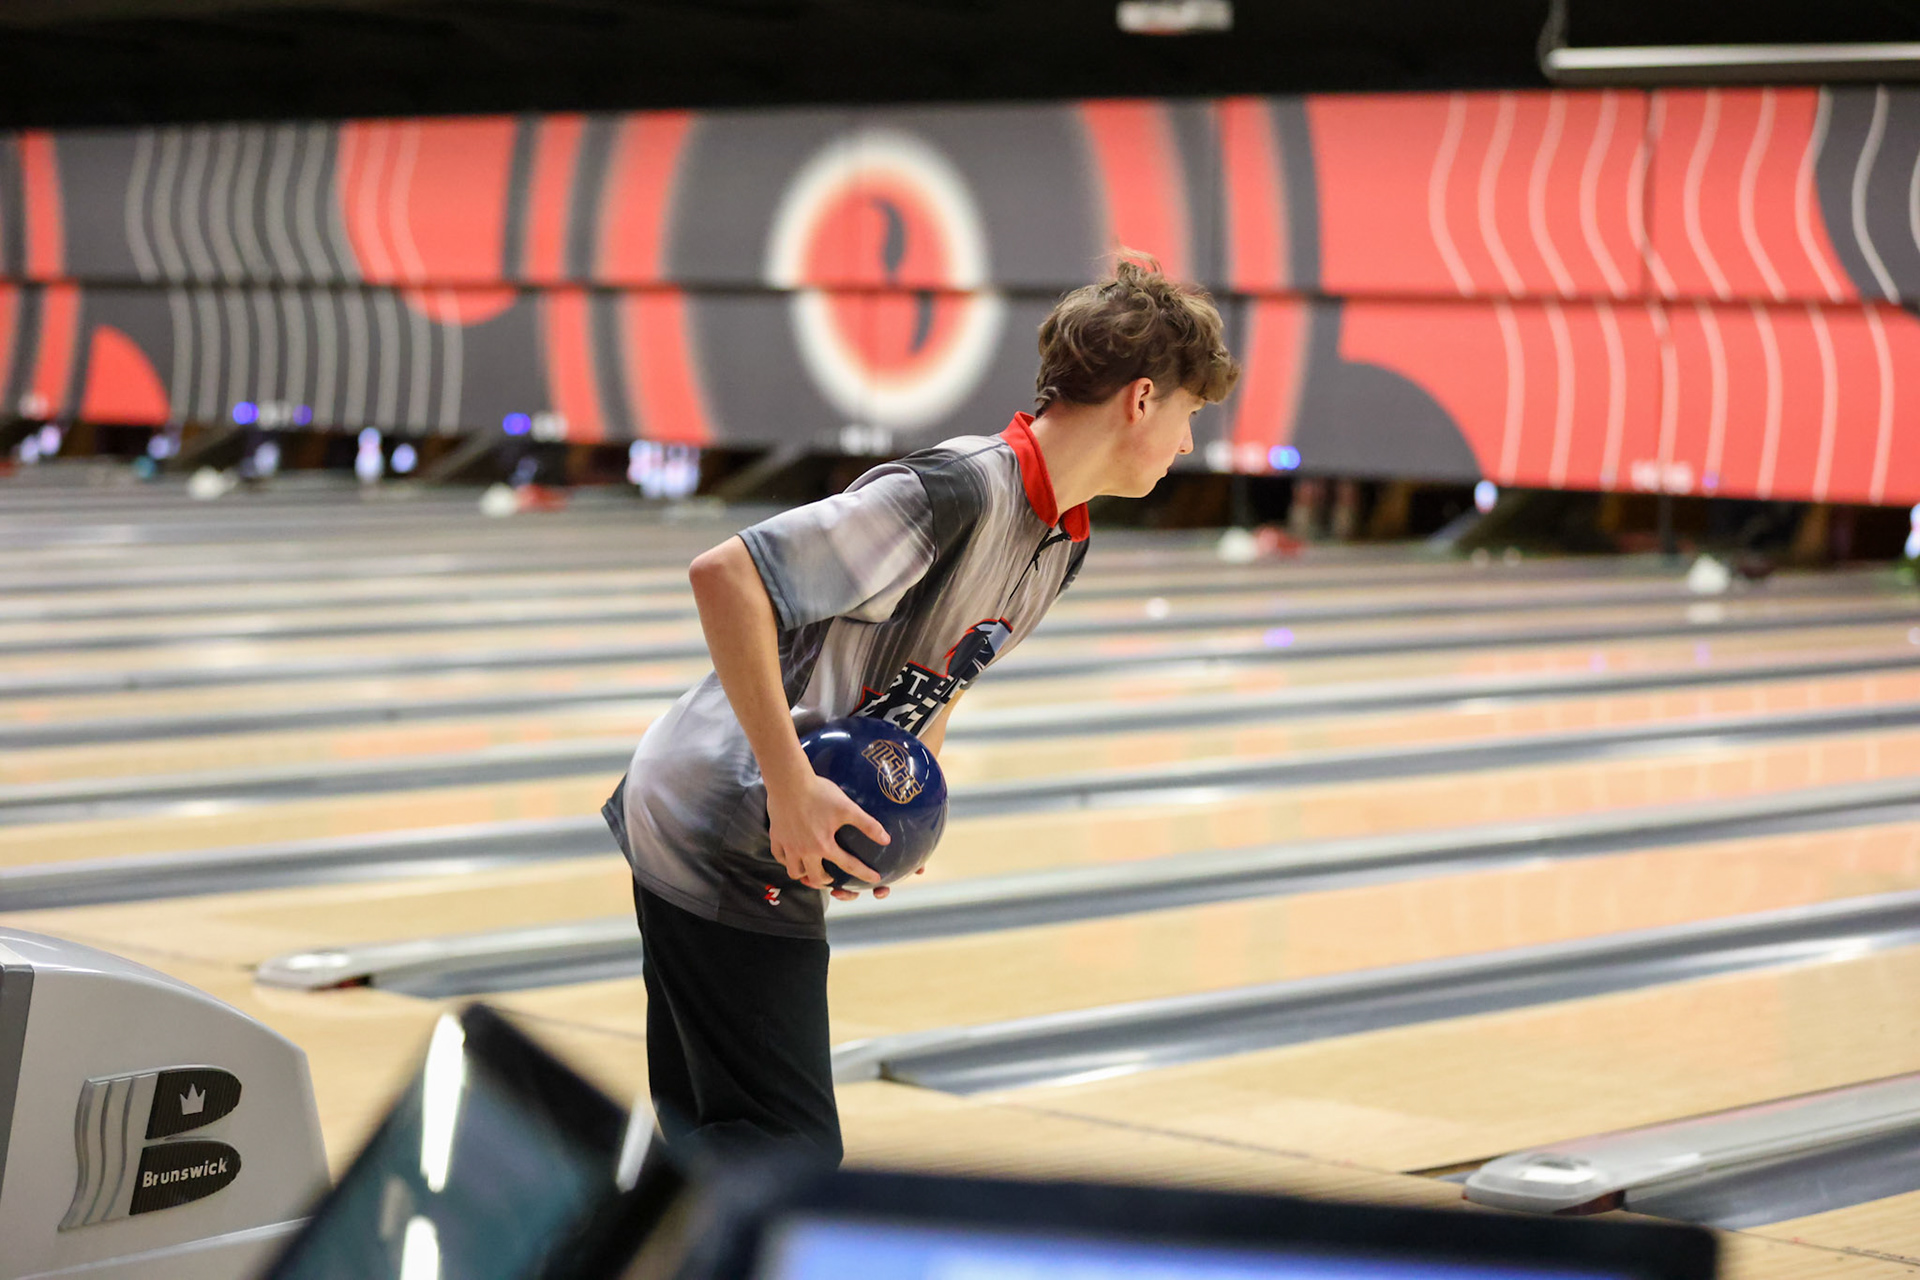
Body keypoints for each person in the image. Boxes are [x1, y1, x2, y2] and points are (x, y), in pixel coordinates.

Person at [602, 257, 1240, 1169]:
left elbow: (942, 673)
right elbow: (728, 576)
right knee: (788, 1150)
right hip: (719, 814)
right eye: (1189, 415)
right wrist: (790, 787)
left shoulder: (1061, 539)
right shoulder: (954, 494)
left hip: (745, 815)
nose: (1185, 444)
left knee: (723, 1139)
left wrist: (902, 814)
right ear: (1142, 399)